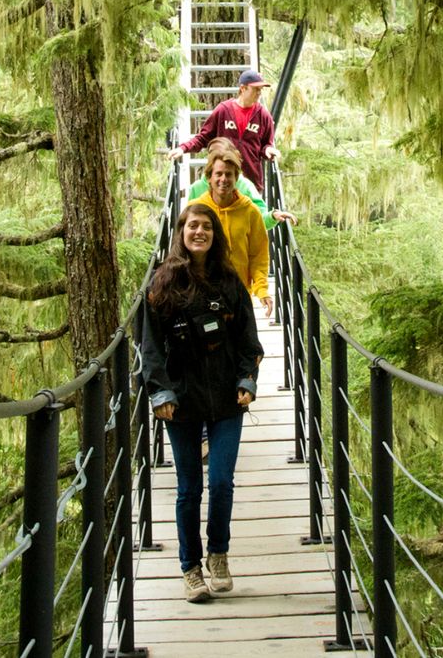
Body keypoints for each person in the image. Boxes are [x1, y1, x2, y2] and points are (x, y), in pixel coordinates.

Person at [142, 202, 265, 603]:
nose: (199, 232)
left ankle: (218, 554)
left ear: (215, 236)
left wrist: (248, 378)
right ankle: (189, 567)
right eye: (192, 226)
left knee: (223, 481)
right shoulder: (162, 284)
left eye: (206, 227)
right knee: (189, 487)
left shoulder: (229, 281)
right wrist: (160, 393)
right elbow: (150, 348)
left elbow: (250, 341)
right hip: (181, 402)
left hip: (227, 398)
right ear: (180, 232)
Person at [190, 146, 271, 318]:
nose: (223, 179)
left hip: (239, 296)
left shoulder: (250, 211)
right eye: (218, 174)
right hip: (203, 294)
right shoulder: (196, 209)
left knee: (246, 345)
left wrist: (262, 290)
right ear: (209, 178)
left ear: (236, 178)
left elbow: (258, 255)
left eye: (229, 174)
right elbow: (181, 249)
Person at [167, 69, 280, 185]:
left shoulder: (264, 116)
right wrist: (182, 148)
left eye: (260, 89)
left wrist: (268, 149)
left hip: (250, 183)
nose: (259, 93)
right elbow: (203, 138)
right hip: (222, 183)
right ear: (243, 88)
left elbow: (266, 145)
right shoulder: (223, 110)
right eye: (255, 89)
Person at [186, 137, 298, 229]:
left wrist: (272, 216)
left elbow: (258, 219)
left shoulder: (245, 187)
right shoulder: (197, 188)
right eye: (211, 153)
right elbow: (188, 223)